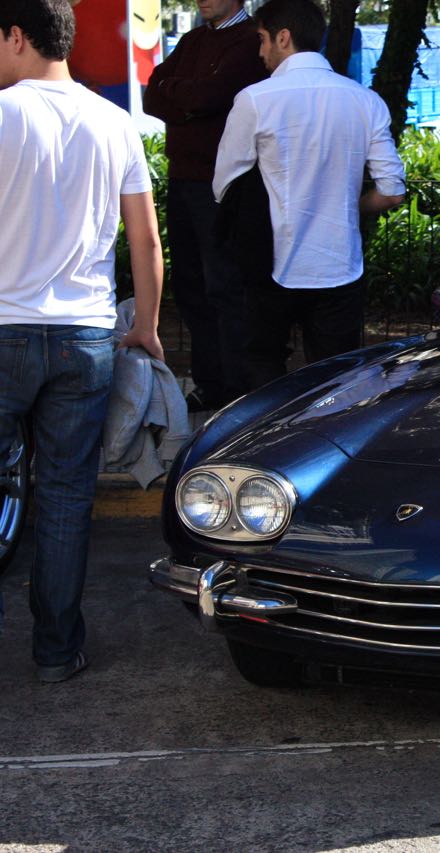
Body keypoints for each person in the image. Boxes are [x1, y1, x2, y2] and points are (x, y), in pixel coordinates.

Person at [0, 0, 164, 682]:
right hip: (87, 336)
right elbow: (146, 240)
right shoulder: (114, 122)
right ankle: (56, 651)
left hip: (3, 328)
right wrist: (146, 326)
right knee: (67, 497)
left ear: (15, 36)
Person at [212, 0, 405, 389]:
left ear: (283, 37)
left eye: (262, 39)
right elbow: (391, 193)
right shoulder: (365, 101)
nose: (260, 51)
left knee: (263, 372)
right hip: (341, 266)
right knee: (337, 385)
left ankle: (271, 430)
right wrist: (348, 205)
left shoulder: (256, 99)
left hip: (271, 263)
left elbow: (224, 186)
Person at [142, 0, 265, 412]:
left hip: (223, 184)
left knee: (224, 286)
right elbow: (152, 95)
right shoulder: (193, 40)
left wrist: (183, 95)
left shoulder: (250, 40)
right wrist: (189, 98)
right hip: (183, 180)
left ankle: (235, 388)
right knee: (191, 286)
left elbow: (212, 97)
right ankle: (209, 382)